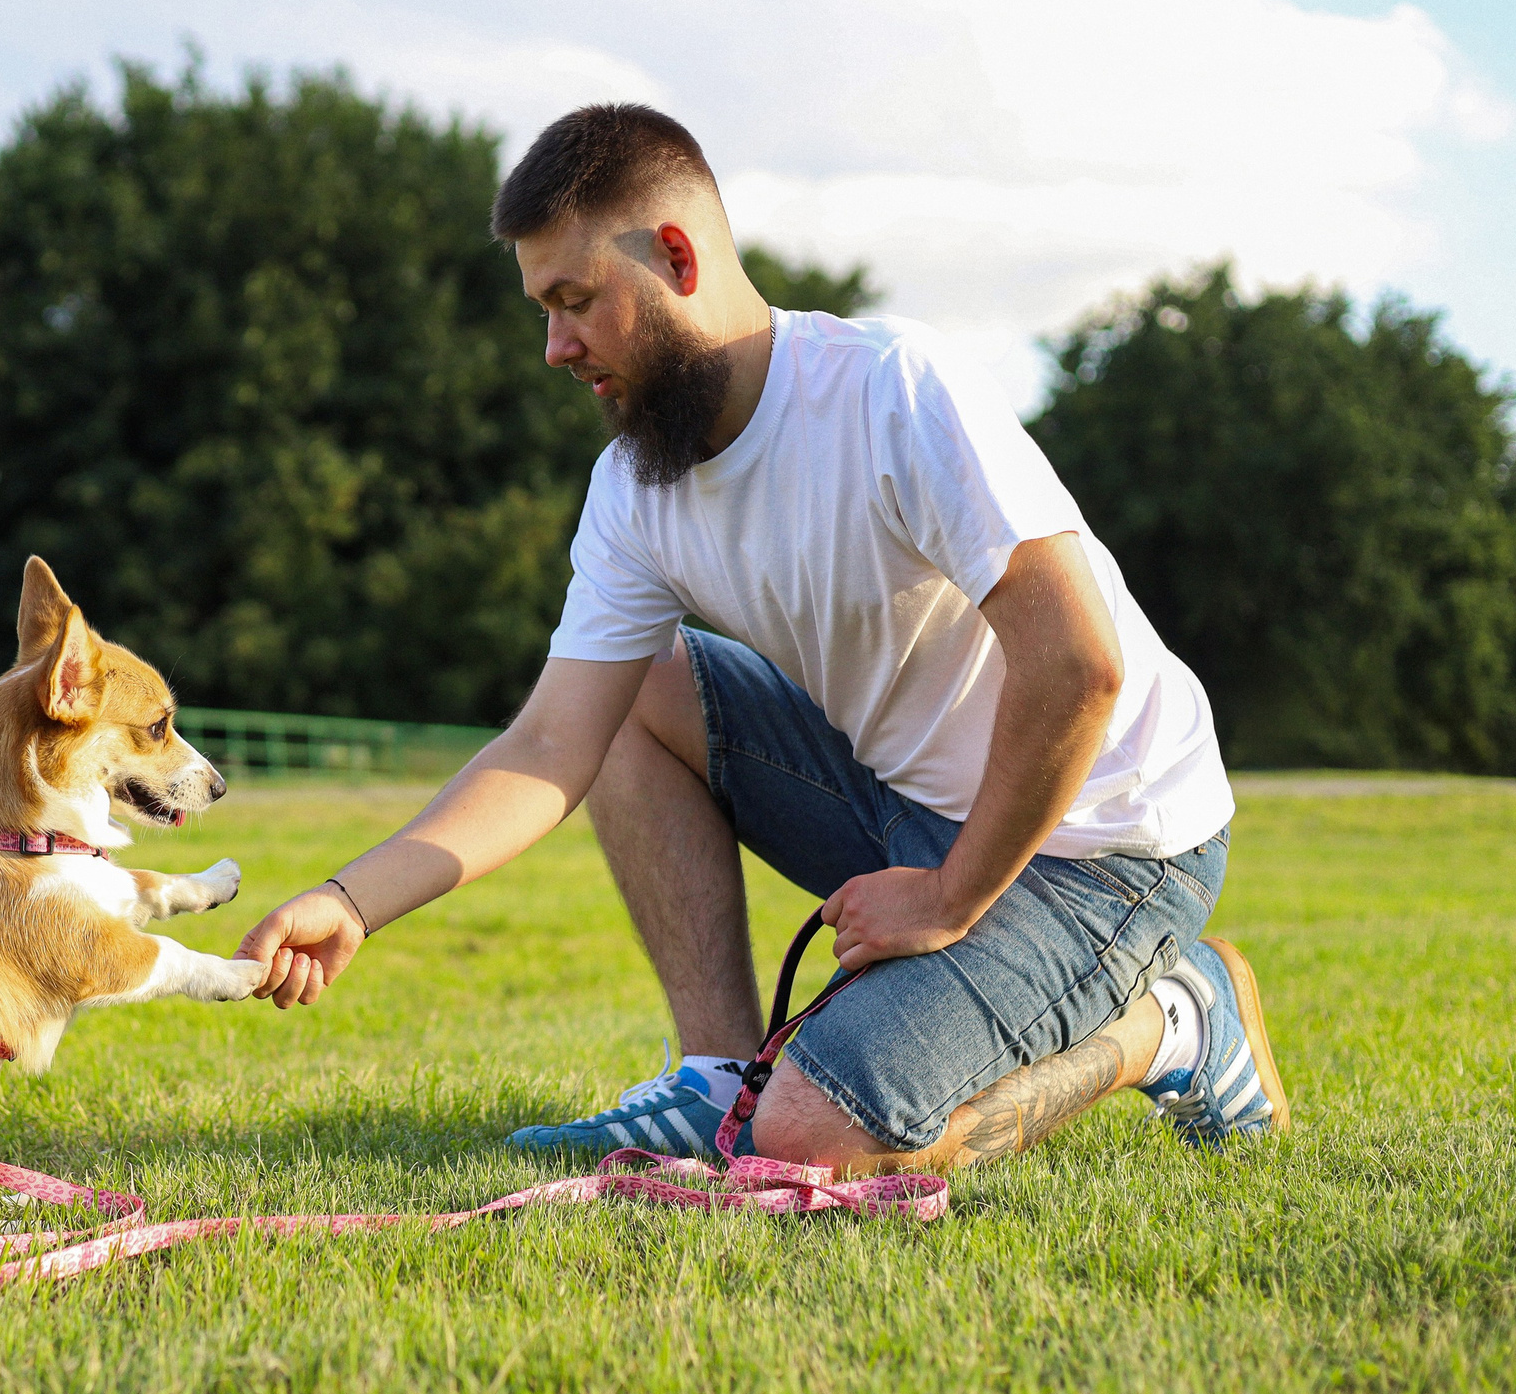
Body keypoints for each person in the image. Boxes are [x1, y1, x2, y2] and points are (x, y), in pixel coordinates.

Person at [235, 104, 1285, 1172]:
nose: (553, 348)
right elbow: (551, 746)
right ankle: (716, 1073)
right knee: (636, 688)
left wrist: (951, 895)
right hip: (906, 803)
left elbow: (1077, 664)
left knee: (807, 1141)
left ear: (676, 258)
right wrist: (350, 899)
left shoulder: (890, 390)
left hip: (1101, 844)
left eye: (572, 301)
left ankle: (1175, 1021)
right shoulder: (632, 490)